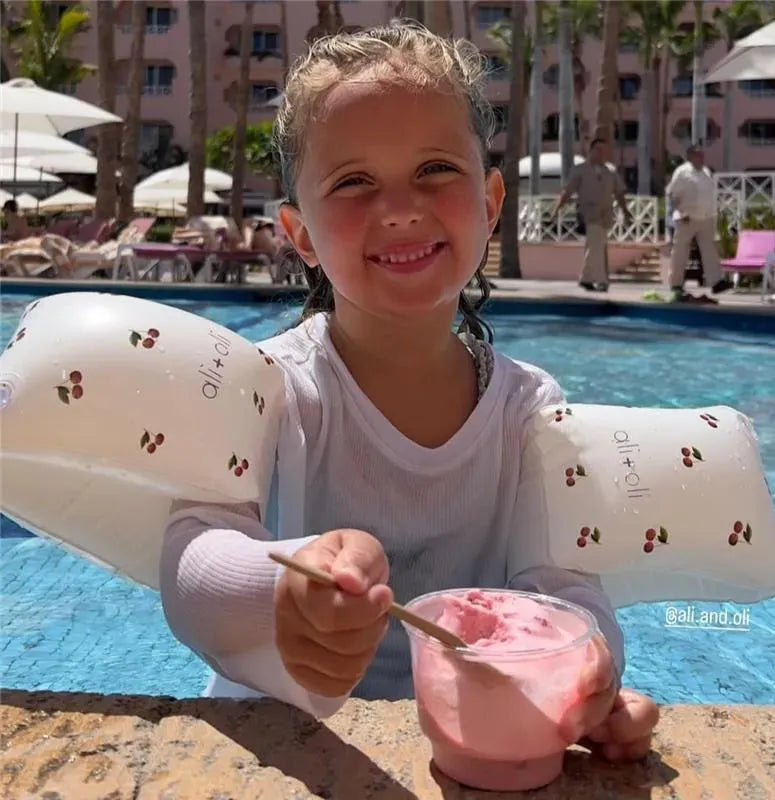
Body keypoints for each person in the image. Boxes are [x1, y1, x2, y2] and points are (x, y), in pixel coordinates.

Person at [159, 22, 658, 761]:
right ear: (300, 235)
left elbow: (565, 585)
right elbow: (190, 555)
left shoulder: (528, 409)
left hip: (469, 742)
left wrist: (588, 668)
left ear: (490, 202)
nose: (399, 207)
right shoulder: (266, 386)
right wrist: (281, 588)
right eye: (353, 181)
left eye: (434, 169)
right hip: (283, 744)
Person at [553, 139, 632, 292]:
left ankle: (586, 278)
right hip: (588, 213)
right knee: (597, 246)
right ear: (590, 151)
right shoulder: (580, 170)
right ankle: (601, 280)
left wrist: (625, 210)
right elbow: (568, 191)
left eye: (604, 151)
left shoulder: (610, 171)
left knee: (596, 245)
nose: (601, 154)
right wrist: (557, 209)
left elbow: (619, 193)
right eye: (598, 150)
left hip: (605, 214)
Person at [665, 145, 732, 303]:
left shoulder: (706, 172)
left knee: (709, 250)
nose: (702, 158)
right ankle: (676, 284)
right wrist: (680, 212)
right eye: (698, 155)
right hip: (687, 218)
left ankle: (716, 282)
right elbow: (672, 194)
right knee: (680, 252)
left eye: (702, 155)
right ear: (690, 157)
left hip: (705, 218)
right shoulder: (682, 172)